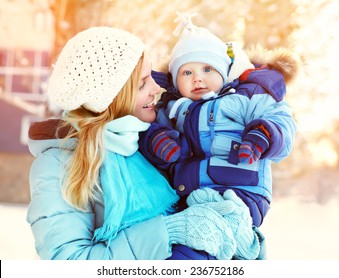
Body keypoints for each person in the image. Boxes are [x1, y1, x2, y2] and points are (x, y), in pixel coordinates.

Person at [26, 26, 244, 260]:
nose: (157, 89)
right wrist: (167, 232)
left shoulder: (146, 143)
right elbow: (68, 263)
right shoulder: (58, 164)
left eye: (151, 76)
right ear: (110, 98)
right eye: (142, 84)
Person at [139, 14, 298, 259]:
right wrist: (158, 142)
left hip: (242, 193)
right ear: (175, 81)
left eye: (207, 69)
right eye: (186, 73)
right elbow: (148, 133)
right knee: (185, 241)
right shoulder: (172, 108)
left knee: (199, 243)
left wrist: (262, 135)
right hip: (192, 196)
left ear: (224, 71)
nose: (197, 78)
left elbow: (281, 121)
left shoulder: (247, 97)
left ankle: (231, 238)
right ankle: (234, 249)